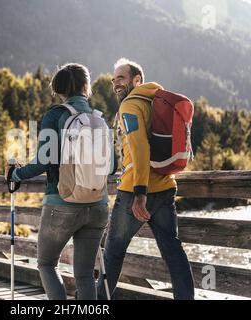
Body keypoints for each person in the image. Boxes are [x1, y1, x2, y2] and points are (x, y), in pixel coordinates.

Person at [5, 63, 112, 300]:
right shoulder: (97, 119)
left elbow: (43, 161)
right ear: (86, 86)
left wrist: (15, 174)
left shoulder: (55, 115)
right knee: (85, 275)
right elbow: (111, 167)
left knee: (46, 264)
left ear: (59, 89)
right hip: (98, 205)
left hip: (61, 203)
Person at [96, 58, 195, 300]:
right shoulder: (156, 100)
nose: (115, 83)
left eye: (121, 77)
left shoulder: (130, 106)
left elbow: (140, 148)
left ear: (136, 79)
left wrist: (140, 193)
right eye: (113, 79)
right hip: (166, 187)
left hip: (135, 192)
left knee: (112, 253)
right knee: (173, 252)